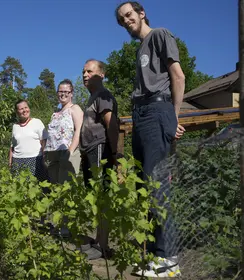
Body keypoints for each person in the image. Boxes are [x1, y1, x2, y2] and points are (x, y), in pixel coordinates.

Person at [115, 1, 185, 277]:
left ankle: (169, 259)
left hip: (158, 110)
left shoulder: (160, 35)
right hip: (141, 115)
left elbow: (177, 76)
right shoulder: (140, 48)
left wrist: (173, 117)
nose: (126, 21)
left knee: (158, 185)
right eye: (122, 20)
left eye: (129, 15)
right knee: (146, 185)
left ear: (142, 13)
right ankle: (157, 255)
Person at [79, 59, 120, 260]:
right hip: (90, 152)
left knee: (102, 198)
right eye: (83, 72)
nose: (85, 75)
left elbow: (111, 125)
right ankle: (97, 241)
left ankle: (103, 246)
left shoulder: (103, 96)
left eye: (89, 71)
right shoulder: (93, 97)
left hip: (100, 150)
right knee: (96, 198)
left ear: (101, 74)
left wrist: (115, 156)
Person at [44, 79, 83, 184]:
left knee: (67, 185)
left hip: (68, 151)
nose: (63, 94)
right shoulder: (56, 113)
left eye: (66, 92)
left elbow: (79, 130)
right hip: (52, 154)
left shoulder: (75, 109)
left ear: (71, 94)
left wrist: (70, 151)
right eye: (60, 91)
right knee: (54, 186)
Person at [9, 99, 48, 182]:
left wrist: (44, 159)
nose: (24, 110)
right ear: (17, 112)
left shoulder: (37, 122)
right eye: (21, 109)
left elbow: (44, 142)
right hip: (17, 161)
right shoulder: (15, 126)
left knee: (37, 188)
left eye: (26, 107)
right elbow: (12, 147)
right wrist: (10, 163)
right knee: (19, 189)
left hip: (35, 160)